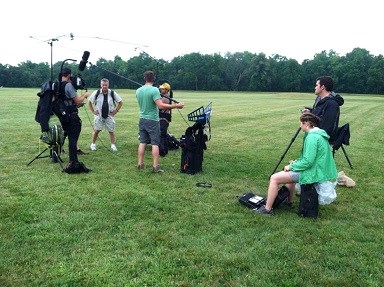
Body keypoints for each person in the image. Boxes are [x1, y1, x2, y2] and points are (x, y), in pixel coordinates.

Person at [255, 113, 337, 215]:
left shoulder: (312, 137)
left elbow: (308, 162)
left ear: (306, 123)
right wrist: (296, 163)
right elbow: (312, 158)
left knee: (274, 178)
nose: (300, 126)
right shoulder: (320, 135)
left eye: (301, 123)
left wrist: (291, 166)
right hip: (317, 170)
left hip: (312, 173)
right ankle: (288, 202)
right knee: (289, 174)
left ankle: (267, 209)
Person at [136, 71, 184, 173]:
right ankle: (155, 166)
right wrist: (176, 106)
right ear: (154, 79)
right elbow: (161, 106)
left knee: (142, 142)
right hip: (153, 120)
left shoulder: (138, 90)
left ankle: (140, 164)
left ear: (144, 78)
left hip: (142, 119)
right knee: (155, 143)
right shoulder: (154, 90)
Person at [52, 67, 91, 173]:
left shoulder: (55, 85)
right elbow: (77, 101)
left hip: (62, 115)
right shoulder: (68, 85)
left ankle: (55, 154)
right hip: (71, 116)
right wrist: (85, 95)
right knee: (73, 139)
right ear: (69, 75)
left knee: (64, 135)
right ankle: (73, 162)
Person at [302, 76, 344, 143]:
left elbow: (327, 128)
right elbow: (319, 114)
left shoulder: (332, 104)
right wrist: (310, 112)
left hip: (322, 141)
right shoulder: (319, 99)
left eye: (316, 85)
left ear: (322, 87)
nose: (315, 87)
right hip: (315, 137)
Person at [87, 78, 123, 152]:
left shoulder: (112, 93)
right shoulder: (96, 93)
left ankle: (113, 145)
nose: (104, 86)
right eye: (103, 85)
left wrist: (115, 111)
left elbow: (120, 102)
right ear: (101, 85)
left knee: (111, 131)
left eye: (106, 85)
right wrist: (93, 111)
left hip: (109, 116)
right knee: (96, 130)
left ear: (108, 85)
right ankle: (93, 144)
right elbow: (89, 102)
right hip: (99, 116)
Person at [158, 82, 172, 156]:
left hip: (163, 118)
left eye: (162, 89)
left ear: (166, 90)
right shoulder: (164, 96)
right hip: (163, 117)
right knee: (163, 134)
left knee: (162, 134)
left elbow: (159, 106)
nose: (161, 89)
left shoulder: (165, 98)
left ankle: (163, 150)